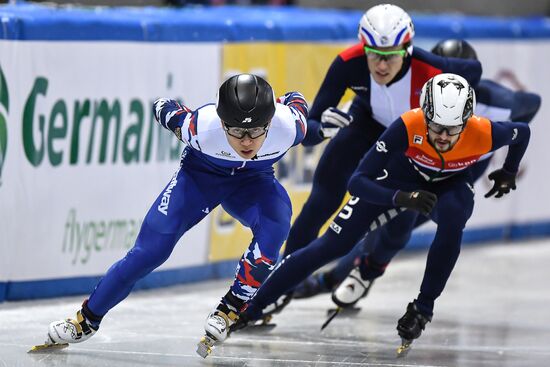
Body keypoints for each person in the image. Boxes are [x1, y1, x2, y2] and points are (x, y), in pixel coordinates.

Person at [238, 73, 530, 348]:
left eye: (452, 129)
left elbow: (523, 132)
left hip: (449, 184)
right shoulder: (408, 125)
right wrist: (400, 197)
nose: (442, 136)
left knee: (455, 218)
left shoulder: (485, 132)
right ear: (424, 115)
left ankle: (422, 308)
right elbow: (357, 182)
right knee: (333, 244)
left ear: (467, 122)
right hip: (399, 179)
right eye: (435, 126)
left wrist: (509, 170)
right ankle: (252, 306)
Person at [36, 74, 309, 358]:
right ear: (221, 122)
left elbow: (296, 100)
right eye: (237, 131)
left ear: (270, 123)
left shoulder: (289, 126)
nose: (246, 141)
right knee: (149, 252)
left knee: (276, 226)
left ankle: (231, 308)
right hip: (201, 179)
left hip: (254, 182)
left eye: (255, 133)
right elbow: (164, 108)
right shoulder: (200, 127)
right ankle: (86, 320)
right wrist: (165, 108)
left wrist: (302, 117)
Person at [292, 39, 542, 301]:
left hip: (462, 169)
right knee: (385, 219)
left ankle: (348, 275)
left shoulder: (497, 100)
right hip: (421, 163)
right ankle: (347, 275)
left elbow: (530, 106)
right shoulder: (421, 101)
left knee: (396, 225)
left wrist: (496, 155)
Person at [278, 4, 482, 307]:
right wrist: (321, 128)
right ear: (363, 46)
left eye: (391, 56)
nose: (382, 65)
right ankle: (279, 285)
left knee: (399, 224)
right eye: (374, 54)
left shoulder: (431, 68)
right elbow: (309, 130)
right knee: (321, 202)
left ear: (408, 49)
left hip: (406, 143)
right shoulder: (348, 62)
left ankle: (367, 271)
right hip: (365, 124)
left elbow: (474, 71)